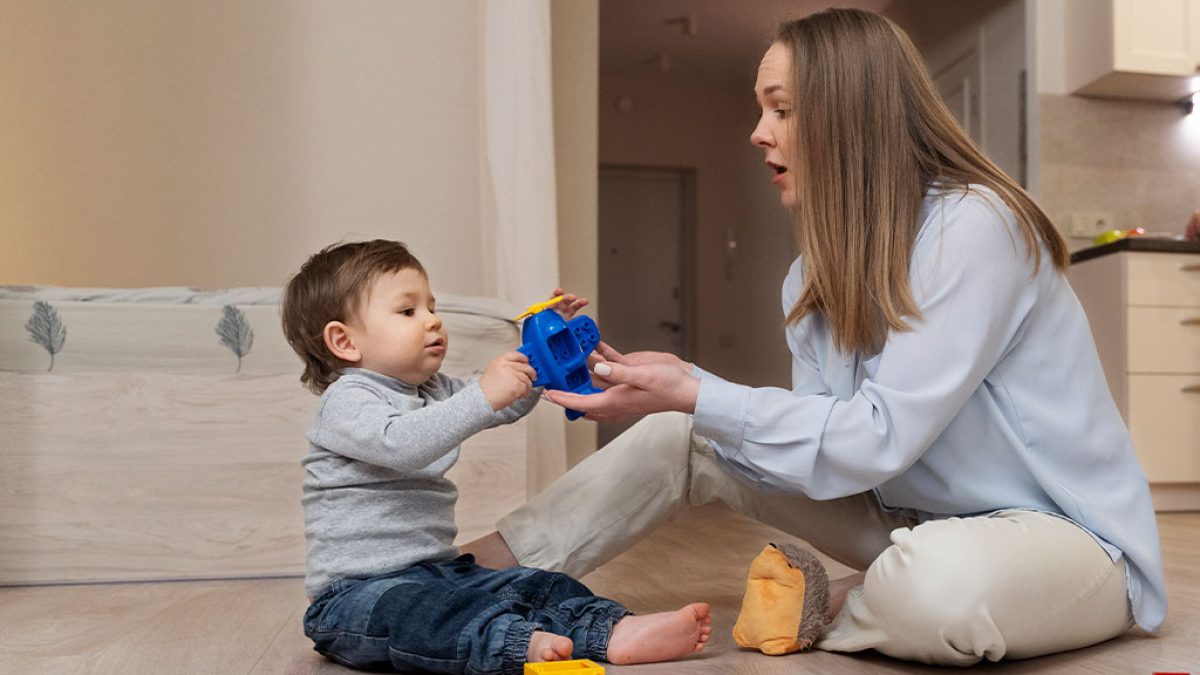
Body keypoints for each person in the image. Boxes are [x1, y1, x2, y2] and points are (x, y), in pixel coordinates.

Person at [459, 8, 1167, 667]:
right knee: (686, 431)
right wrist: (682, 393)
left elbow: (878, 437)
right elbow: (831, 457)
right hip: (908, 519)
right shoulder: (809, 278)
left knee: (936, 585)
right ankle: (466, 577)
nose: (757, 131)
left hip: (1067, 541)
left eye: (781, 109)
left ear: (849, 118)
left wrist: (702, 390)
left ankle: (843, 598)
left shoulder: (975, 227)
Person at [279, 240, 712, 674]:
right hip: (355, 596)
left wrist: (544, 356)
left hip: (439, 572)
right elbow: (405, 445)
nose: (433, 321)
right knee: (422, 614)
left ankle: (613, 631)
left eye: (432, 307)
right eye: (408, 312)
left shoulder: (433, 390)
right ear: (344, 341)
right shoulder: (347, 401)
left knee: (538, 585)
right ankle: (516, 644)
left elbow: (503, 402)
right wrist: (482, 395)